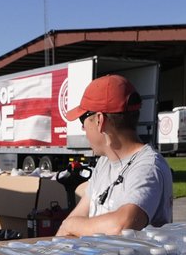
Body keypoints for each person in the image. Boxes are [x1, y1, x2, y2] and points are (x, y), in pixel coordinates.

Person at [56, 75, 173, 237]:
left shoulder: (148, 167)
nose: (83, 128)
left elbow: (123, 225)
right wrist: (69, 226)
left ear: (99, 120)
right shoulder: (104, 163)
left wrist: (71, 225)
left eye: (83, 120)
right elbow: (75, 219)